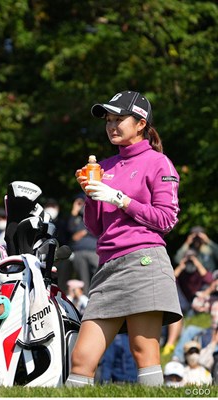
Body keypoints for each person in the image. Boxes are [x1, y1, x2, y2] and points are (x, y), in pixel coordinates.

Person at [66, 90, 181, 387]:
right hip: (108, 266)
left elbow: (166, 220)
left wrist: (120, 198)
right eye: (108, 120)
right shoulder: (104, 166)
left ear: (141, 123)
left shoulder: (159, 163)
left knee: (144, 350)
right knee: (81, 357)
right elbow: (95, 228)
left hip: (144, 262)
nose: (111, 126)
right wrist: (91, 196)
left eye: (119, 119)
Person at [65, 193, 99, 294]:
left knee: (98, 276)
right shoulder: (75, 217)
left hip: (94, 251)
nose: (80, 205)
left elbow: (98, 230)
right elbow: (69, 230)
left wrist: (84, 232)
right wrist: (74, 212)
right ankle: (85, 303)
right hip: (79, 252)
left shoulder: (93, 214)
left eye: (82, 202)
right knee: (83, 281)